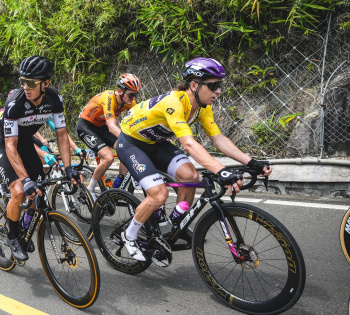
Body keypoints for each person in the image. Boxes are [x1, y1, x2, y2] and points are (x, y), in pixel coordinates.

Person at [116, 57, 273, 261]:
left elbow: (217, 139)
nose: (218, 91)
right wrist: (220, 170)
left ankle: (174, 227)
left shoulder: (202, 107)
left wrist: (250, 162)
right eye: (213, 85)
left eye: (220, 86)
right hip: (131, 144)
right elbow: (188, 144)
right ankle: (129, 235)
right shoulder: (174, 103)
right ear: (194, 85)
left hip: (156, 143)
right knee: (159, 195)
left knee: (191, 176)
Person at [0, 55, 79, 261]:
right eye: (23, 81)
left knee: (38, 190)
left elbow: (61, 135)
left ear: (46, 83)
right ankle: (14, 236)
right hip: (6, 144)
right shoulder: (15, 102)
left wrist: (69, 169)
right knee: (19, 191)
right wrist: (24, 179)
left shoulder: (54, 100)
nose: (25, 86)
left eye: (31, 82)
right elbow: (10, 145)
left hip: (25, 144)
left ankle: (24, 227)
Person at [76, 73, 142, 200]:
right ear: (119, 91)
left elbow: (140, 120)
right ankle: (90, 189)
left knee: (124, 148)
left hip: (100, 126)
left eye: (136, 95)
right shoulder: (109, 98)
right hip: (86, 126)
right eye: (131, 94)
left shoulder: (129, 101)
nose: (133, 98)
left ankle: (118, 185)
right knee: (108, 157)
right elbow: (112, 127)